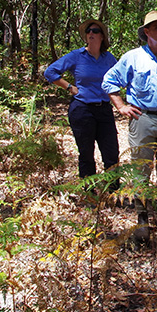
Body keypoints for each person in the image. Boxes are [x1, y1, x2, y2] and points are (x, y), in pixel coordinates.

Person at [102, 11, 157, 243]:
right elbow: (109, 81)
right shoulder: (132, 57)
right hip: (142, 119)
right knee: (140, 170)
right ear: (147, 32)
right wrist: (121, 105)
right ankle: (142, 220)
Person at [44, 19, 119, 187]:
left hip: (104, 109)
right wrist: (69, 87)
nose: (91, 33)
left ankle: (113, 193)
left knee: (111, 153)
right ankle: (89, 192)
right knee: (86, 153)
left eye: (95, 31)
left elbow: (120, 76)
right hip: (82, 110)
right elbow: (50, 72)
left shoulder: (109, 58)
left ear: (102, 37)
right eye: (89, 31)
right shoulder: (76, 56)